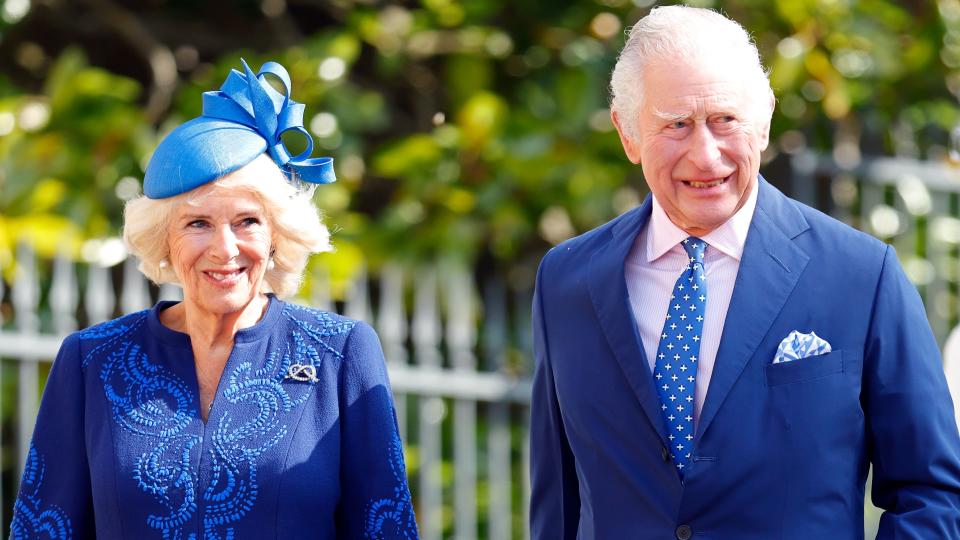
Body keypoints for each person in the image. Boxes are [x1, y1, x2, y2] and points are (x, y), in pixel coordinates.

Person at [529, 6, 960, 539]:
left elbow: (931, 495)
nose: (705, 156)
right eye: (676, 124)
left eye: (725, 120)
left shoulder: (861, 275)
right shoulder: (566, 281)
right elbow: (557, 503)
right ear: (627, 132)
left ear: (764, 121)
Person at [10, 60, 419, 539]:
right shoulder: (92, 360)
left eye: (247, 221)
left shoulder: (338, 354)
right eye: (197, 223)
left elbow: (386, 528)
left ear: (275, 236)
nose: (225, 249)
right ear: (165, 239)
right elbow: (42, 529)